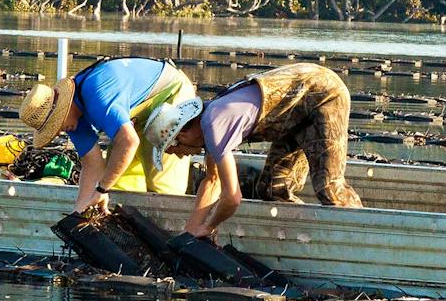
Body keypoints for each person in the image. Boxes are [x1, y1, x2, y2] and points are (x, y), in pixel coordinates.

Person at [147, 61, 363, 238]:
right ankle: (301, 242)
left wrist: (209, 227)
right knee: (272, 189)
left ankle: (360, 236)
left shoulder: (214, 125)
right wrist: (191, 230)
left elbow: (232, 197)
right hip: (293, 116)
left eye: (175, 151)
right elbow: (213, 181)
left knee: (329, 188)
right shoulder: (208, 125)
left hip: (323, 95)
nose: (182, 155)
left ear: (182, 135)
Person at [17, 55, 195, 214]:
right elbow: (92, 165)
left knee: (161, 179)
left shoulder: (97, 93)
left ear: (61, 110)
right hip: (136, 115)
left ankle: (170, 234)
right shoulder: (72, 121)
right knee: (118, 179)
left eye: (55, 125)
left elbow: (128, 142)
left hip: (170, 93)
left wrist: (101, 190)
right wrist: (79, 212)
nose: (59, 131)